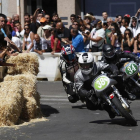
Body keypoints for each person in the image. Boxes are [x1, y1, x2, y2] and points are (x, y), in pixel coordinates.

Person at [74, 52, 116, 118]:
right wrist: (87, 93)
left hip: (104, 82)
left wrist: (114, 71)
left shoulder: (98, 65)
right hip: (92, 91)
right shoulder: (78, 75)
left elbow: (109, 66)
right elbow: (79, 89)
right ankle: (108, 109)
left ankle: (125, 92)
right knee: (90, 106)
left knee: (118, 78)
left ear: (92, 63)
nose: (85, 67)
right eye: (83, 65)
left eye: (87, 65)